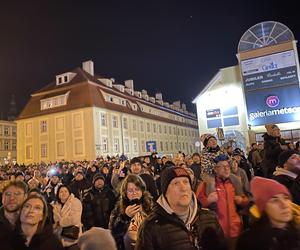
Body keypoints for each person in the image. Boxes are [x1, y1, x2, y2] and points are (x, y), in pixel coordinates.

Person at [136, 166, 225, 250]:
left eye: (186, 182)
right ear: (165, 192)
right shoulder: (151, 227)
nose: (183, 188)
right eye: (176, 183)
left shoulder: (209, 218)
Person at [197, 155, 248, 249]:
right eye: (222, 167)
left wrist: (242, 201)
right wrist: (208, 201)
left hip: (235, 231)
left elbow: (246, 200)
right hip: (217, 232)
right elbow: (197, 206)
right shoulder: (207, 184)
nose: (226, 169)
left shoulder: (234, 183)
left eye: (228, 166)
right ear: (215, 169)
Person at [236, 176, 300, 250]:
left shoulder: (297, 233)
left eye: (286, 198)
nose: (284, 205)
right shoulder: (250, 242)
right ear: (264, 208)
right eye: (275, 200)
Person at [109, 174, 153, 250]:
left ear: (142, 191)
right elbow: (113, 233)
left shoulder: (150, 206)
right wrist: (125, 217)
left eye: (137, 189)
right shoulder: (118, 209)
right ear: (125, 193)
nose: (134, 193)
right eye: (130, 190)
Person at [52, 185, 83, 249]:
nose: (63, 193)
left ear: (69, 192)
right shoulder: (55, 205)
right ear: (58, 194)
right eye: (61, 192)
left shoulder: (75, 202)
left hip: (72, 239)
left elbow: (74, 219)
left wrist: (59, 223)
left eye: (65, 191)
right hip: (59, 239)